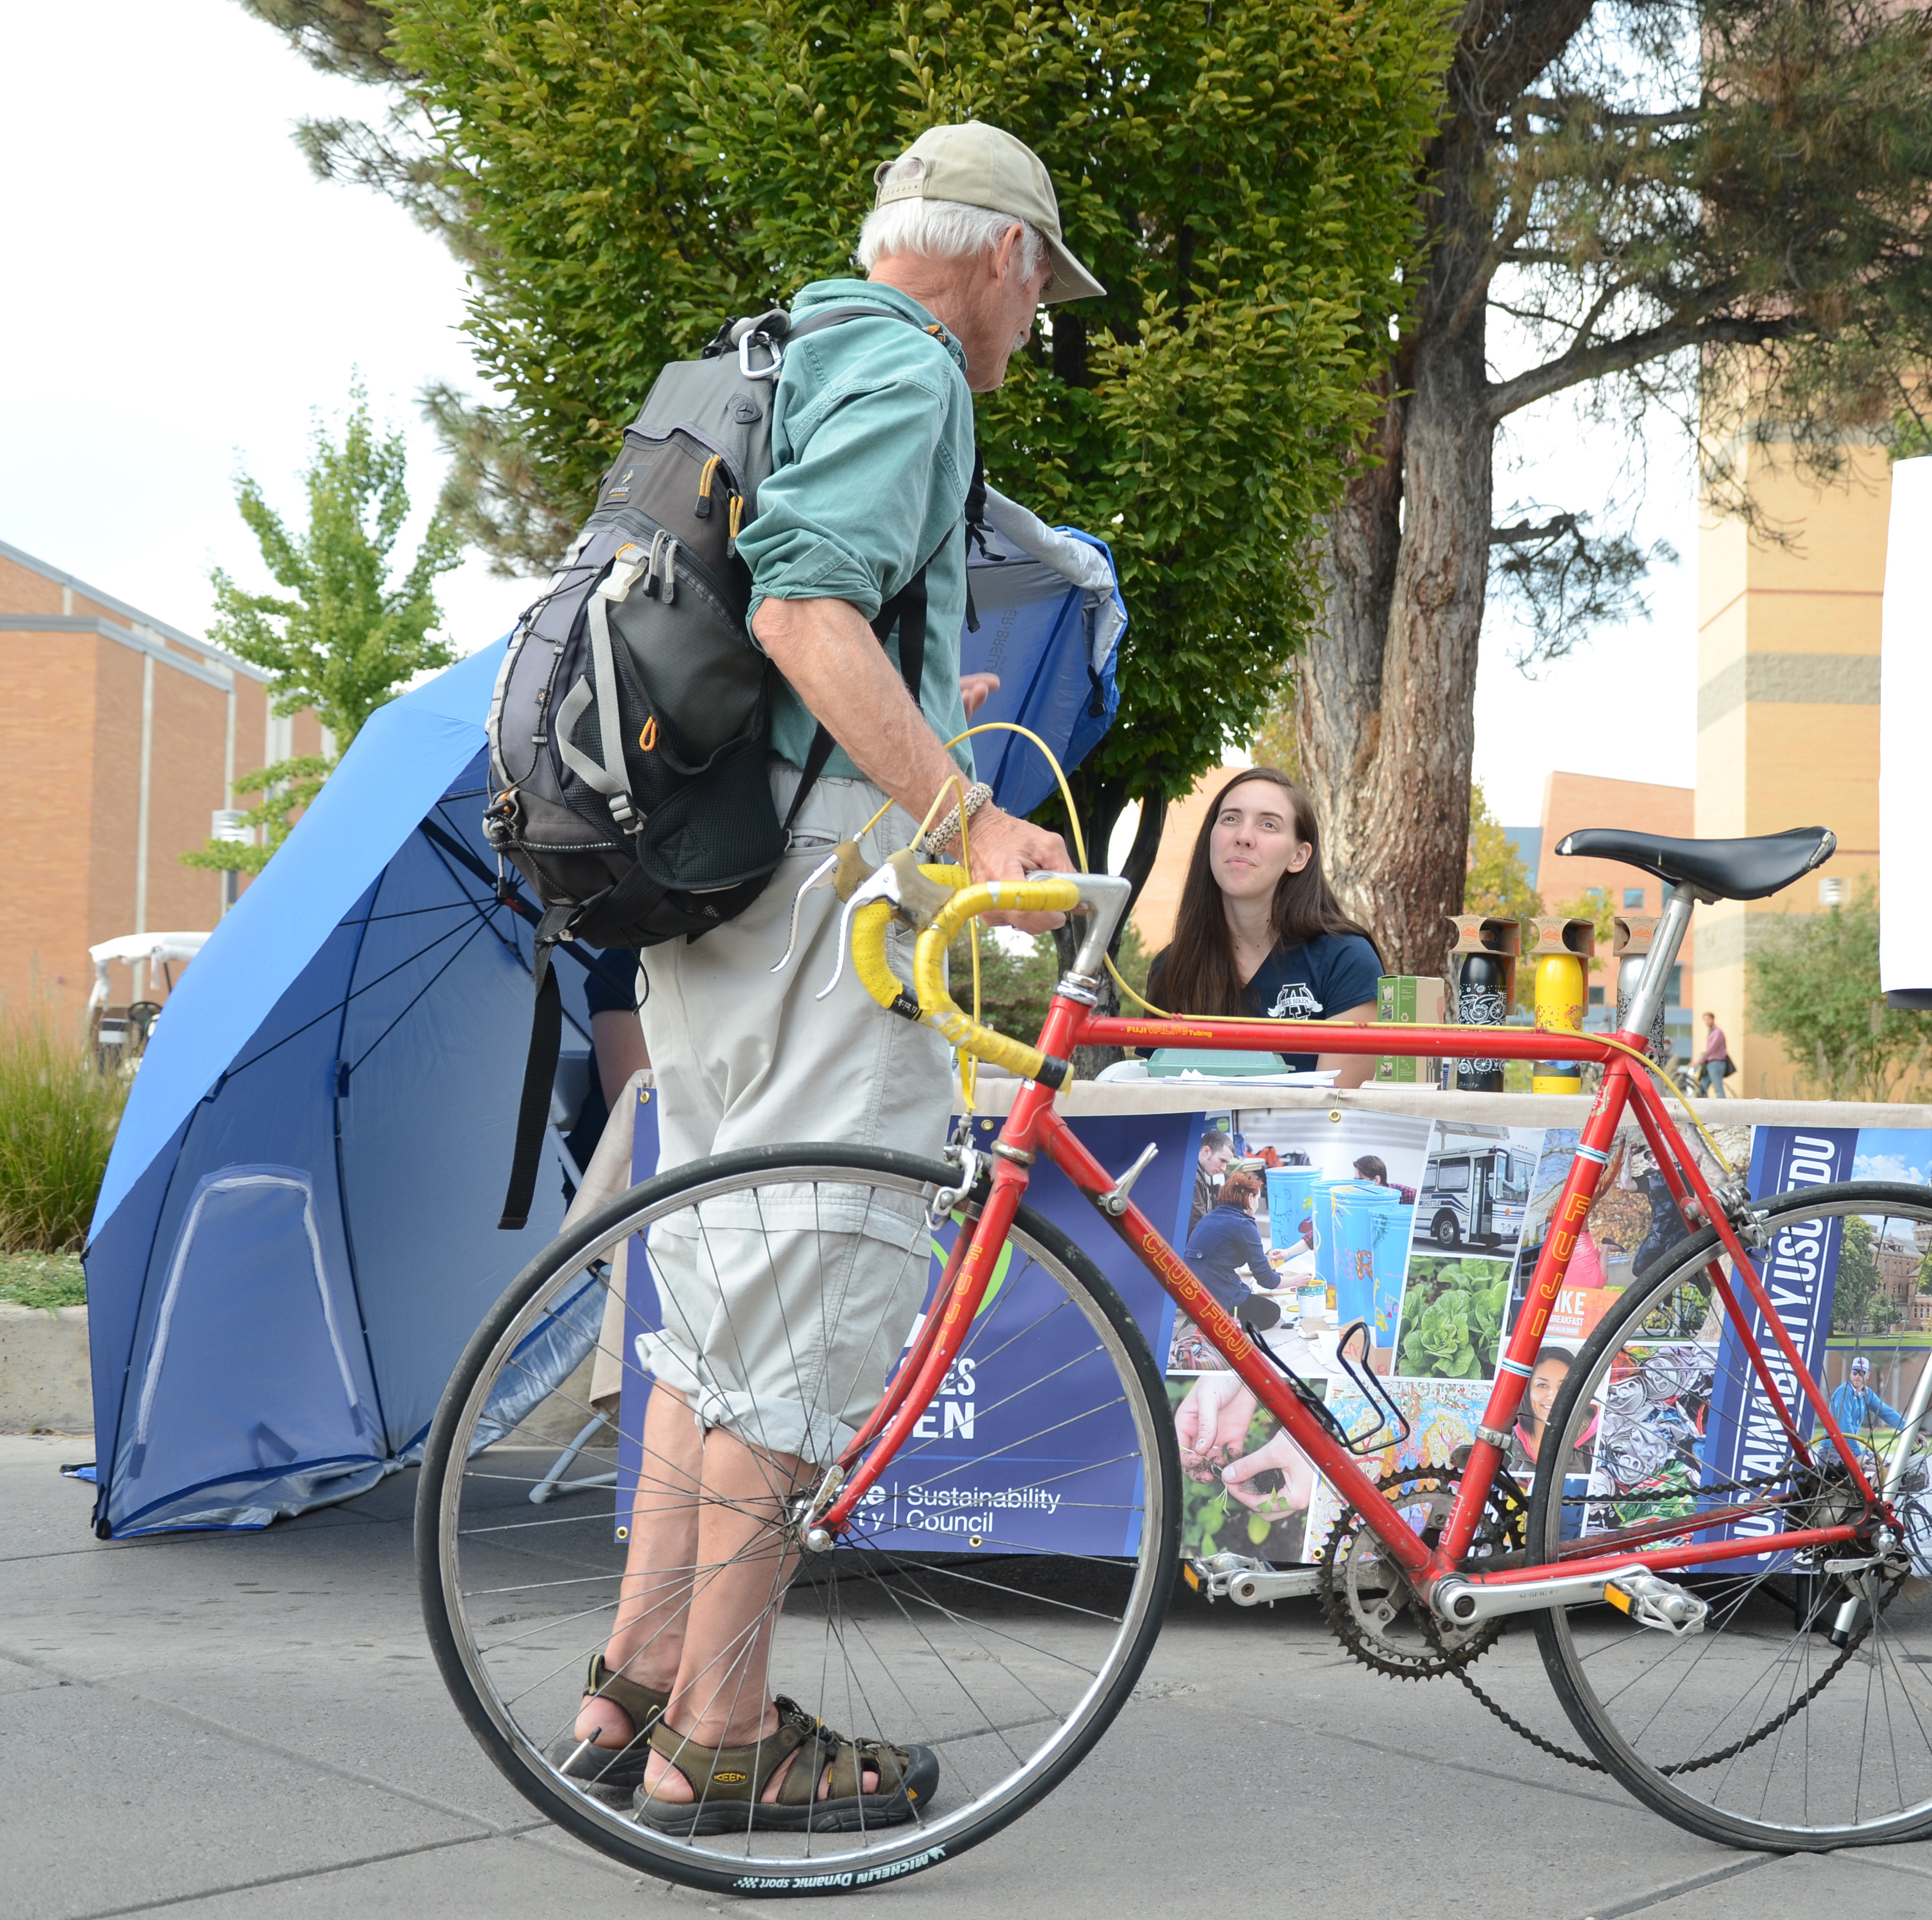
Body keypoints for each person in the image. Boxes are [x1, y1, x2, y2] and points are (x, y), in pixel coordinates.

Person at [562, 120, 1103, 1834]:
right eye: (1040, 290)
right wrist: (973, 819)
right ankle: (721, 1736)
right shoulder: (913, 371)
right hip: (826, 891)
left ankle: (633, 1686)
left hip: (709, 900)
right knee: (803, 1314)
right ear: (1003, 256)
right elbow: (806, 608)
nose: (1036, 329)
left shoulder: (767, 353)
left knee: (719, 1313)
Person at [1146, 767, 1381, 1086]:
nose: (1243, 836)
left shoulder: (1345, 959)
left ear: (1299, 856)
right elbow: (1154, 1102)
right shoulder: (1171, 967)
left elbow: (1336, 1112)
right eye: (1230, 819)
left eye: (1268, 824)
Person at [1184, 1165, 1292, 1316]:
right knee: (1272, 1312)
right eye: (1258, 1198)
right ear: (1250, 1198)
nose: (1258, 1203)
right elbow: (1266, 1280)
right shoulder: (1243, 1225)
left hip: (1190, 1293)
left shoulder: (1211, 1217)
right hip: (1214, 1297)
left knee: (1246, 1291)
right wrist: (1296, 1281)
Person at [1826, 1354, 1906, 1441]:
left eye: (1862, 1373)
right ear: (1850, 1374)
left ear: (1867, 1375)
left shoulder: (1867, 1394)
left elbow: (1886, 1413)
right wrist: (1857, 1453)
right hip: (1833, 1448)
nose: (1857, 1376)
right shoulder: (1844, 1392)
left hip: (1848, 1447)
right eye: (1855, 1372)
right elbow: (1844, 1426)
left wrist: (1910, 1431)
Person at [1694, 1011, 1731, 1098]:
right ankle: (1703, 1107)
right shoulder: (1711, 1032)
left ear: (1713, 1019)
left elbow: (1712, 1049)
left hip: (1717, 1063)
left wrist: (1699, 1061)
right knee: (1702, 1087)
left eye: (1708, 1019)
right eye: (1705, 1020)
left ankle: (1723, 1108)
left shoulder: (1717, 1032)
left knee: (1718, 1089)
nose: (1707, 1022)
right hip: (1710, 1064)